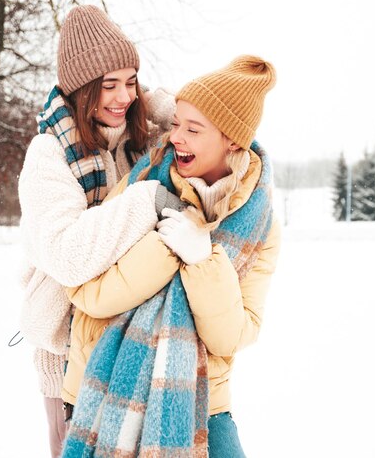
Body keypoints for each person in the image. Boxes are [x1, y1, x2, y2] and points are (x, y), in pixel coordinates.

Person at [61, 55, 280, 457]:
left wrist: (203, 262)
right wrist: (163, 249)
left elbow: (232, 336)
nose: (175, 136)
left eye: (193, 129)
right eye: (176, 122)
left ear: (231, 139)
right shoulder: (146, 182)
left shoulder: (259, 223)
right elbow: (84, 289)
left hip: (201, 402)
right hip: (104, 388)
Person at [17, 5, 182, 458]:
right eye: (108, 85)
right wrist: (145, 201)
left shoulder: (134, 139)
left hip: (132, 340)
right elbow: (68, 253)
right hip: (70, 351)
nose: (122, 97)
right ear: (81, 89)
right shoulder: (48, 154)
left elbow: (201, 125)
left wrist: (166, 106)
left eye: (131, 82)